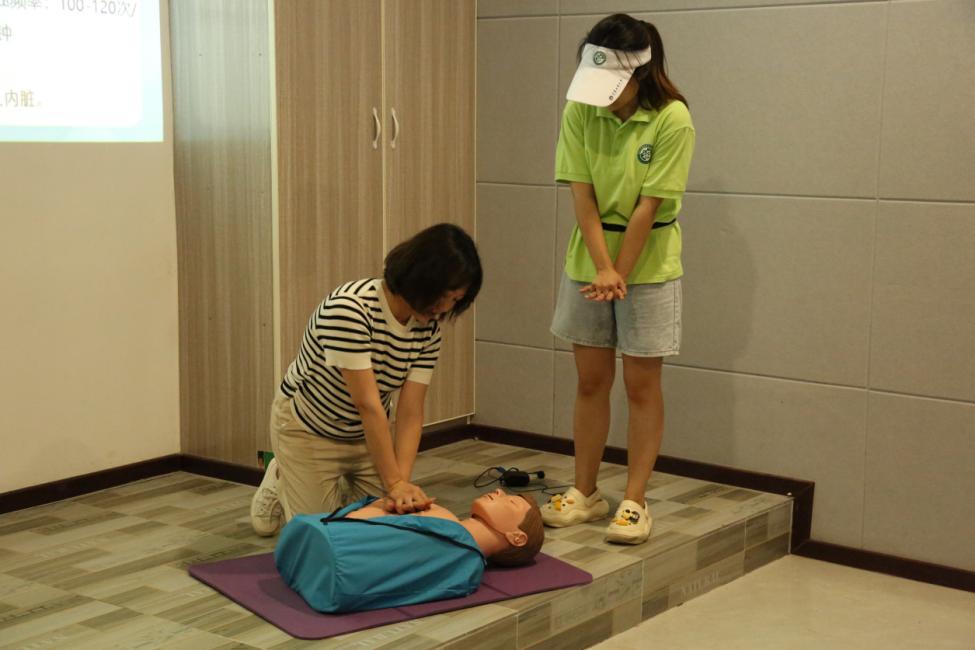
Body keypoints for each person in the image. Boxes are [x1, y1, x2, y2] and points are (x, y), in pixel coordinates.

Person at [543, 14, 695, 544]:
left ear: (641, 73)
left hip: (649, 266)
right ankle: (585, 492)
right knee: (590, 381)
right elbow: (582, 195)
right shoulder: (580, 110)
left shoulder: (673, 118)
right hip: (589, 260)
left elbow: (648, 207)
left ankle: (634, 500)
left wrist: (620, 272)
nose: (602, 98)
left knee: (641, 385)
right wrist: (603, 268)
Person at [250, 223, 483, 536]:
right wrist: (393, 483)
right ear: (420, 277)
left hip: (365, 435)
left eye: (455, 300)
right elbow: (367, 404)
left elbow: (411, 411)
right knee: (322, 536)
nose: (444, 309)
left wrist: (401, 486)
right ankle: (281, 475)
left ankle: (332, 490)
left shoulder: (428, 330)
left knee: (383, 529)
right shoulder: (350, 309)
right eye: (443, 296)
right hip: (308, 429)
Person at [274, 488, 545, 613]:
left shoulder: (447, 527)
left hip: (317, 542)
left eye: (510, 502)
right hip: (332, 583)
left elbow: (363, 521)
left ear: (517, 538)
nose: (498, 490)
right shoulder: (467, 578)